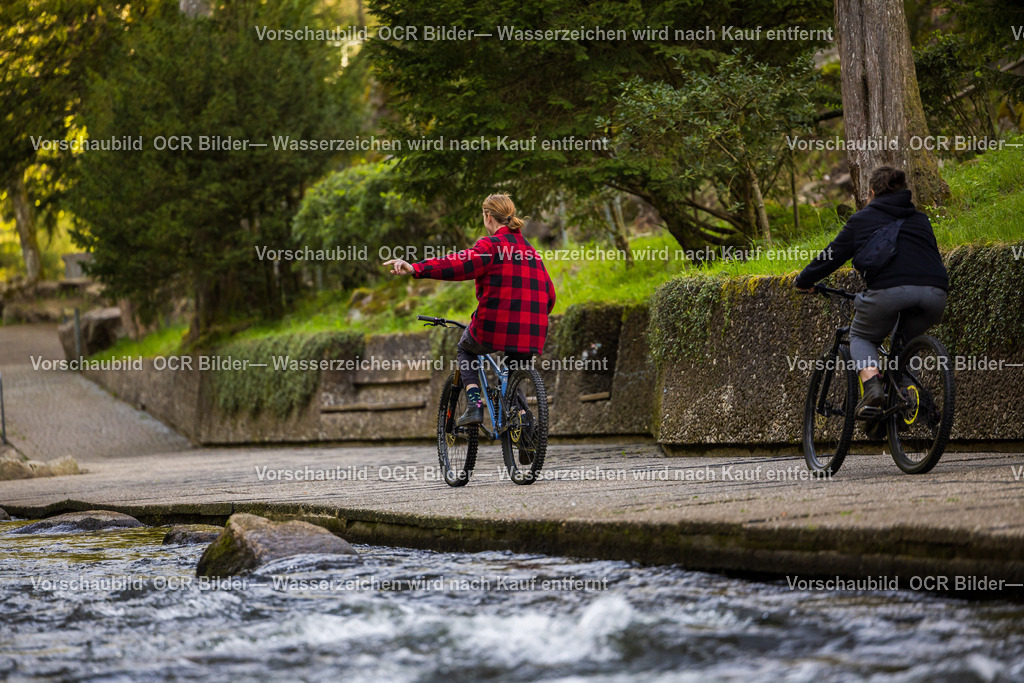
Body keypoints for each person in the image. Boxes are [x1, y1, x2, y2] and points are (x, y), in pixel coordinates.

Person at [384, 193, 556, 426]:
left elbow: (458, 263)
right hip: (532, 329)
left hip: (494, 326)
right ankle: (525, 426)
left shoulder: (491, 246)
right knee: (512, 371)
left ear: (488, 216)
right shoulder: (531, 250)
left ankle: (474, 405)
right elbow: (550, 295)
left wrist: (416, 267)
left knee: (466, 349)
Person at [795, 166, 949, 418]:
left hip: (889, 292)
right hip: (935, 294)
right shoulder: (921, 219)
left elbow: (830, 257)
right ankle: (905, 398)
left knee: (862, 337)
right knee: (904, 345)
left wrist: (803, 280)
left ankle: (872, 387)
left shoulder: (861, 220)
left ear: (872, 193)